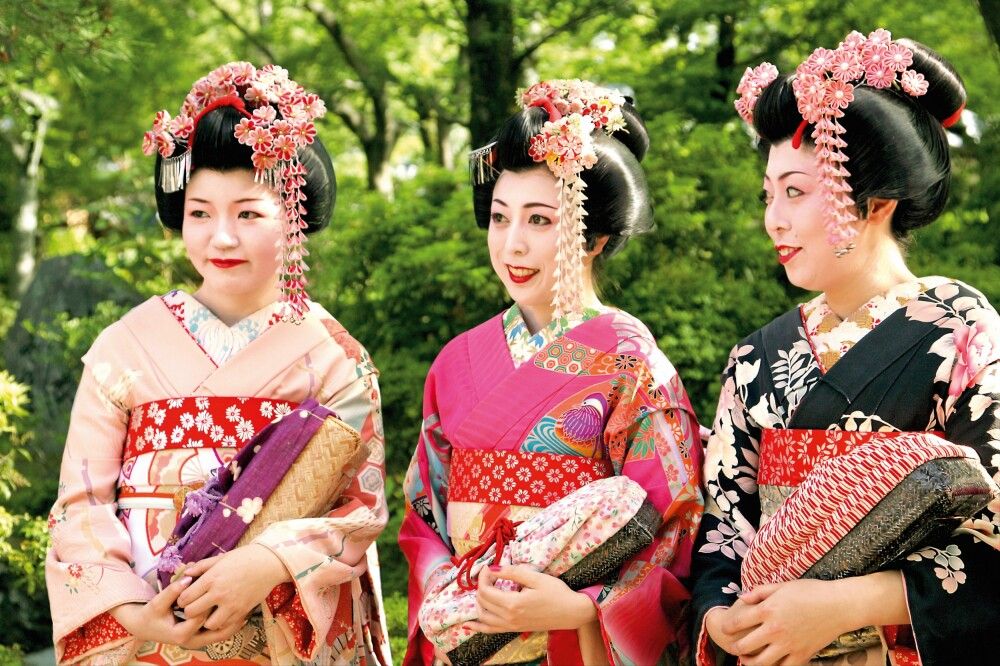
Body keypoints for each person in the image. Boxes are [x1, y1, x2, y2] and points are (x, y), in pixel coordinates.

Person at [45, 62, 391, 665]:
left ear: (295, 217)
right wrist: (131, 611)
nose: (220, 238)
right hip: (150, 626)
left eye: (249, 213)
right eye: (200, 212)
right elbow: (81, 503)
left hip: (275, 628)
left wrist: (263, 564)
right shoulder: (124, 347)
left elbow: (358, 510)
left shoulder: (335, 356)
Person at [691, 29, 1000, 666]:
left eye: (796, 191)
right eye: (768, 194)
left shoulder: (964, 332)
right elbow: (722, 532)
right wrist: (722, 619)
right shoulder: (756, 358)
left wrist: (854, 604)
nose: (773, 218)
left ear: (877, 201)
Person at [399, 79, 705, 665]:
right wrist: (446, 595)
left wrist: (583, 608)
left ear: (596, 236)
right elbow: (424, 513)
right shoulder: (456, 361)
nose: (512, 244)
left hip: (570, 640)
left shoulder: (631, 360)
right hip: (469, 630)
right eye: (499, 218)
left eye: (540, 221)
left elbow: (674, 523)